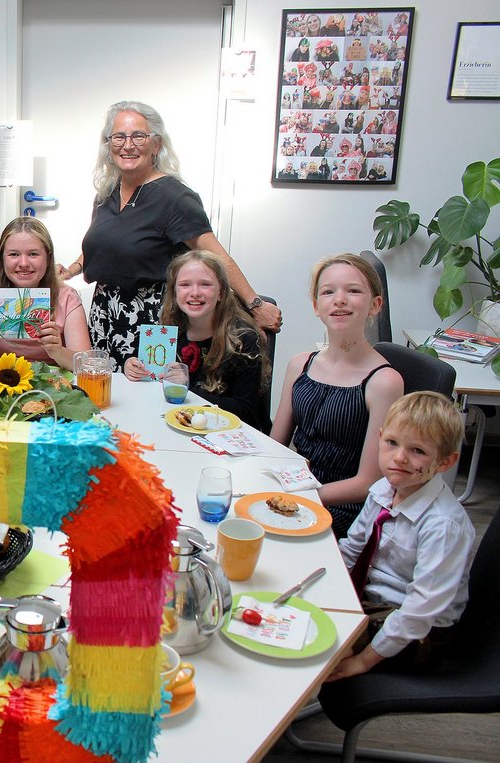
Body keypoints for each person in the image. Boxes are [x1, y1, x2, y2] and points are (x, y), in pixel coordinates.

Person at [58, 101, 281, 366]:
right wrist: (72, 269)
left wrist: (255, 304)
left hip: (152, 319)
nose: (128, 145)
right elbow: (104, 244)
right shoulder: (106, 194)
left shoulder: (174, 197)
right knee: (104, 395)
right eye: (118, 137)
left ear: (156, 144)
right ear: (108, 145)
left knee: (146, 395)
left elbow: (216, 256)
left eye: (138, 136)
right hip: (105, 313)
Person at [326, 392, 472, 681]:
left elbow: (419, 611)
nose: (400, 458)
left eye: (418, 451)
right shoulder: (384, 489)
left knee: (315, 641)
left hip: (416, 627)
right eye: (392, 443)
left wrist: (364, 661)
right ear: (380, 438)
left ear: (445, 462)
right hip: (372, 598)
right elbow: (352, 548)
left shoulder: (443, 525)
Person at [272, 254, 404, 537]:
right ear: (316, 306)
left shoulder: (384, 382)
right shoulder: (299, 365)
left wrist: (299, 498)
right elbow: (275, 447)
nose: (339, 299)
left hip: (345, 509)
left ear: (375, 305)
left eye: (353, 291)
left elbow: (368, 481)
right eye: (328, 292)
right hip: (295, 489)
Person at [122, 251, 271, 431]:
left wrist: (187, 389)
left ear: (221, 293)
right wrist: (132, 366)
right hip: (177, 428)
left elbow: (245, 412)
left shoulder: (244, 339)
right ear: (175, 292)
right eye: (185, 285)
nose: (194, 293)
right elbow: (151, 382)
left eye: (205, 284)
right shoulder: (167, 332)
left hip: (229, 437)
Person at [0, 217, 90, 370]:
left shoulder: (67, 298)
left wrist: (59, 352)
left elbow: (85, 363)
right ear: (2, 259)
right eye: (14, 254)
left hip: (51, 384)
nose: (23, 263)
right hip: (2, 379)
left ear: (48, 258)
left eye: (33, 254)